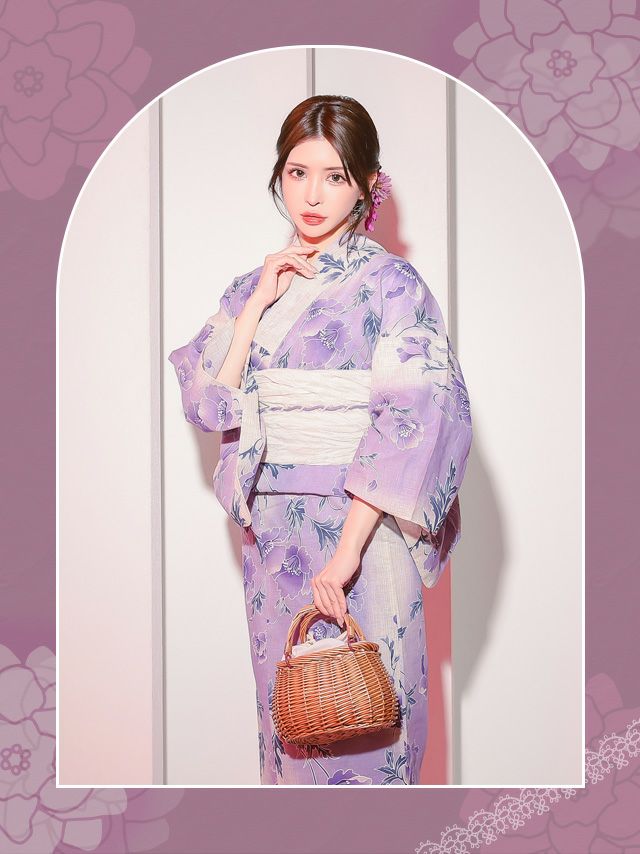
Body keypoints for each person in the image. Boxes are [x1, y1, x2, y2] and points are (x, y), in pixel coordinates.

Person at [168, 95, 473, 785]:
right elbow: (208, 406)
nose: (311, 195)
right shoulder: (250, 286)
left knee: (372, 716)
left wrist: (345, 555)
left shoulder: (392, 284)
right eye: (297, 172)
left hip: (363, 525)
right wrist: (255, 309)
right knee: (294, 721)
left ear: (367, 185)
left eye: (334, 176)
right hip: (275, 533)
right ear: (279, 175)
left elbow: (414, 417)